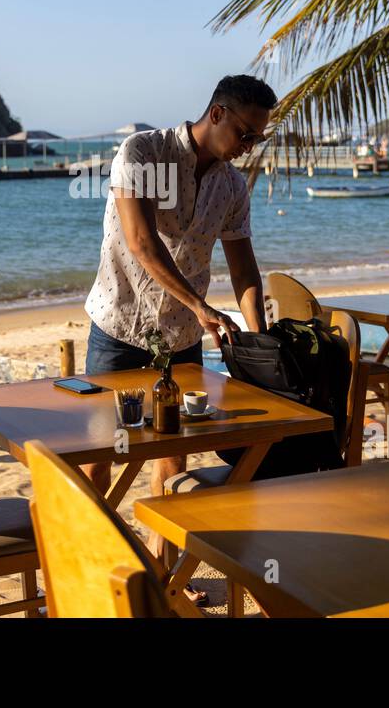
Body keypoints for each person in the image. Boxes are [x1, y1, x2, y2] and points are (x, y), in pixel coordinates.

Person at [83, 74, 273, 601]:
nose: (248, 146)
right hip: (119, 327)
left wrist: (264, 345)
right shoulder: (142, 153)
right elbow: (142, 242)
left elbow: (245, 273)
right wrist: (201, 306)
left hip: (183, 338)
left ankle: (163, 584)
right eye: (244, 133)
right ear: (216, 113)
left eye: (258, 138)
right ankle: (89, 575)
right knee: (99, 461)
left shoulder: (234, 187)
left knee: (172, 462)